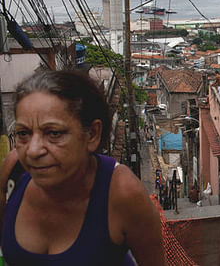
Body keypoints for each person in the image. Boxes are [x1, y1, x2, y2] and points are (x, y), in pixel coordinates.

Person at [0, 71, 166, 265]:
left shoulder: (122, 193)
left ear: (92, 134)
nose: (33, 150)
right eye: (23, 133)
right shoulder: (14, 171)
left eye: (54, 133)